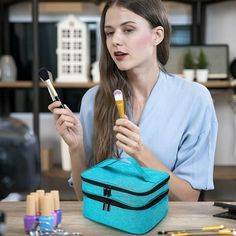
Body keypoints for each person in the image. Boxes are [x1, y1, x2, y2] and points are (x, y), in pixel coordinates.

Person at [48, 0, 218, 201]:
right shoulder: (93, 99)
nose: (115, 41)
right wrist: (75, 148)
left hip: (166, 229)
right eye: (109, 32)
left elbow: (188, 198)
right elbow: (85, 199)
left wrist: (141, 153)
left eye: (128, 30)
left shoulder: (195, 99)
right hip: (107, 227)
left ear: (157, 35)